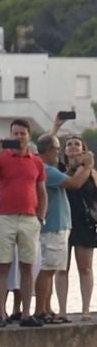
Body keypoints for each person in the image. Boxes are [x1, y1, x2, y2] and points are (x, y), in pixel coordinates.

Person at [0, 120, 47, 327]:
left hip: (29, 218)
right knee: (3, 266)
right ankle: (2, 314)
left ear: (29, 136)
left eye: (22, 133)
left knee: (28, 267)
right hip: (6, 218)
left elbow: (42, 191)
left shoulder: (36, 162)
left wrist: (41, 217)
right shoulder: (2, 158)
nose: (18, 137)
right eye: (15, 133)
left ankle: (26, 314)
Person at [36, 134, 91, 323]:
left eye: (77, 144)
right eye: (60, 148)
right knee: (53, 269)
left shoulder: (52, 170)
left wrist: (82, 168)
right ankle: (46, 310)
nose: (59, 152)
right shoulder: (51, 170)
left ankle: (49, 309)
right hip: (56, 225)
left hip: (72, 225)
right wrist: (88, 166)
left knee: (60, 268)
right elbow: (74, 183)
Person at [66, 134, 97, 317]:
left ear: (83, 149)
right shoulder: (61, 170)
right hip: (63, 222)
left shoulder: (92, 173)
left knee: (85, 267)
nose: (73, 147)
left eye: (77, 144)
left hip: (84, 223)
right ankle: (62, 309)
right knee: (62, 269)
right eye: (69, 144)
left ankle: (86, 309)